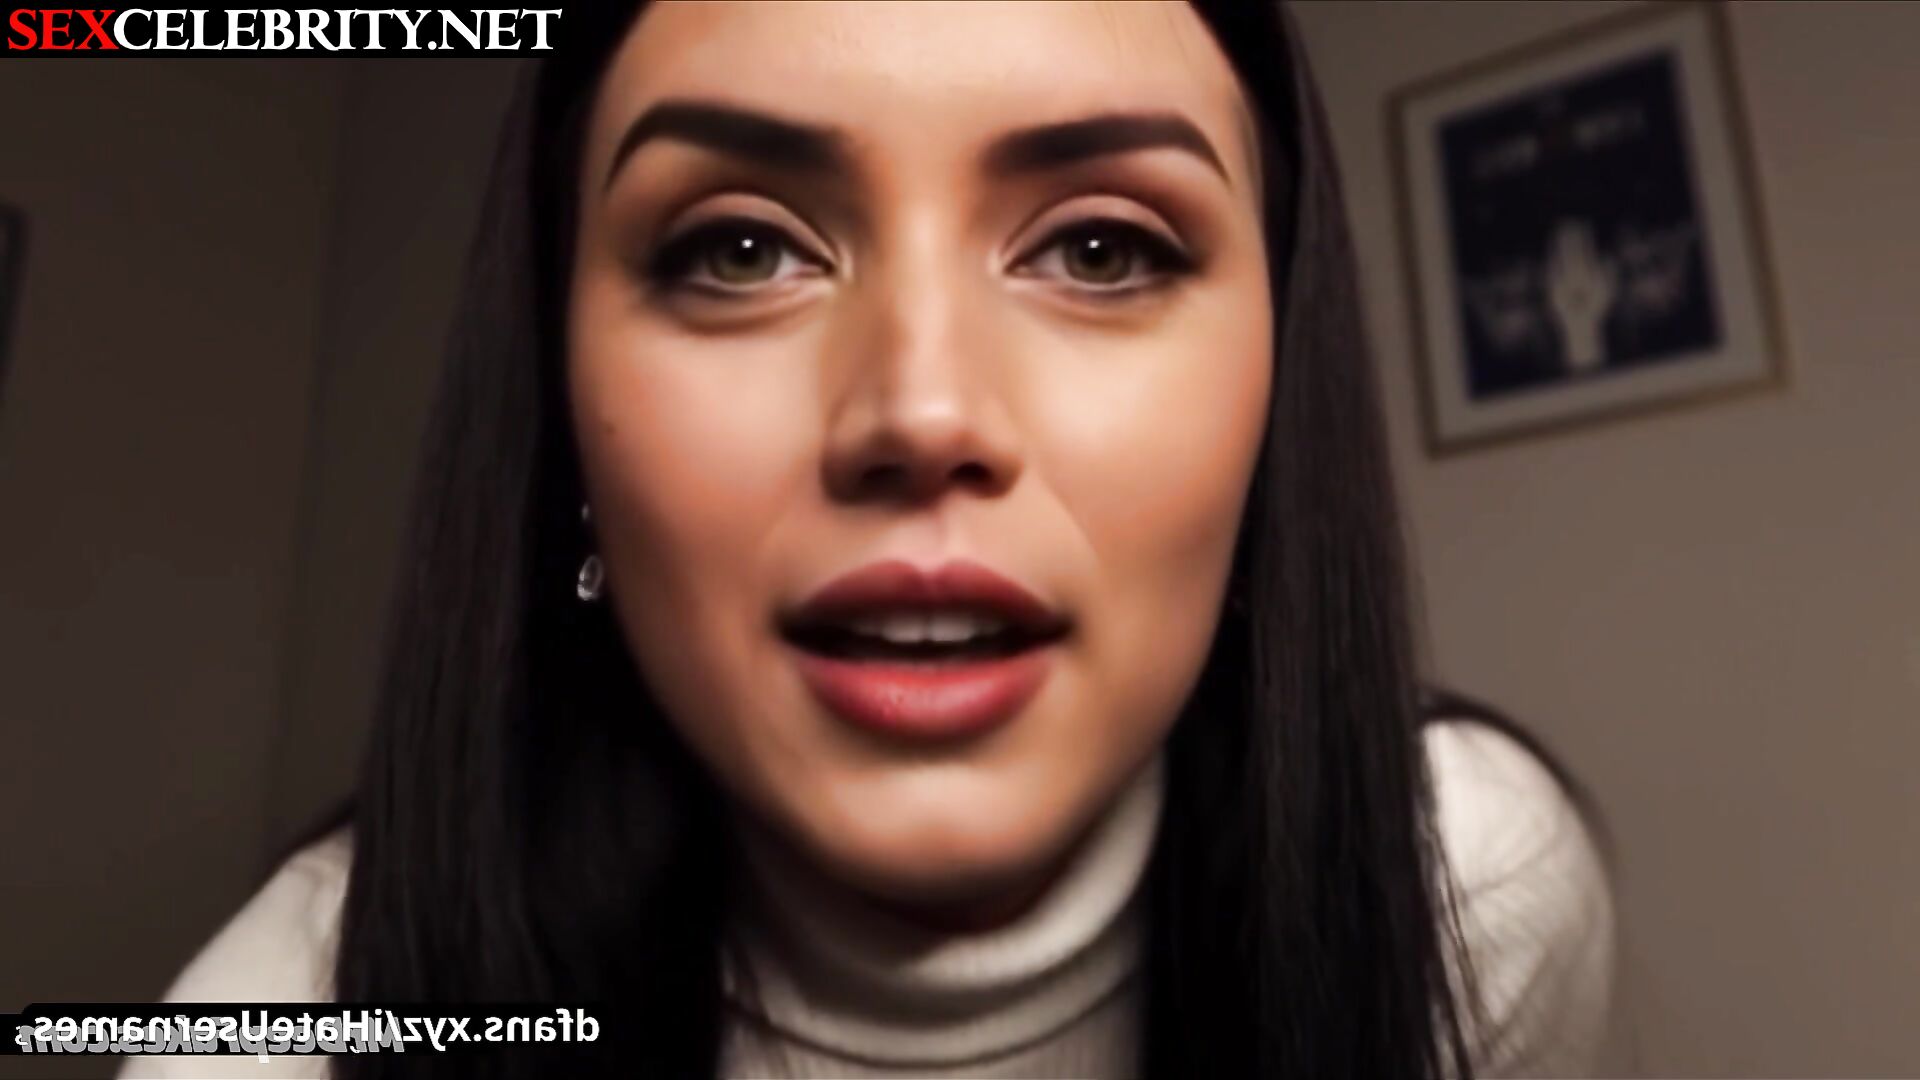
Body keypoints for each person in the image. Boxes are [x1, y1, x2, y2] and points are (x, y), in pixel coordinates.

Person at [126, 3, 1613, 1078]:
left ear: (1278, 385)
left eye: (1100, 248)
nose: (922, 410)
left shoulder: (1471, 894)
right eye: (740, 249)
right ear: (563, 410)